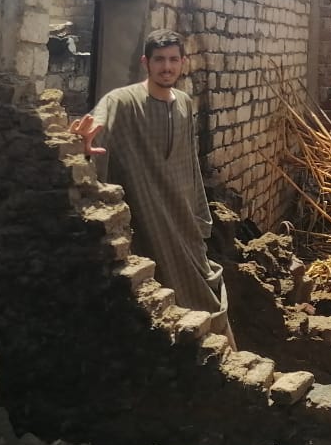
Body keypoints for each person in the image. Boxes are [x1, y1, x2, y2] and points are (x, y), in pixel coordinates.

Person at [69, 29, 236, 347]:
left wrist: (200, 219)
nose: (166, 67)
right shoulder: (122, 102)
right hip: (149, 225)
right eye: (159, 60)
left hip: (185, 226)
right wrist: (82, 145)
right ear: (146, 63)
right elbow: (96, 127)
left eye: (173, 60)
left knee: (205, 299)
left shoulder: (184, 103)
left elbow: (190, 166)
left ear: (183, 62)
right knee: (160, 311)